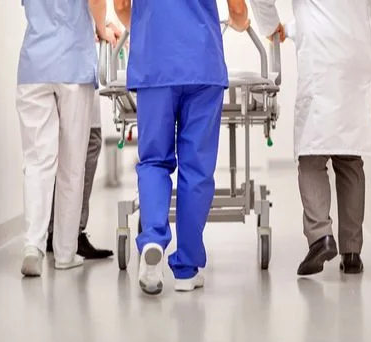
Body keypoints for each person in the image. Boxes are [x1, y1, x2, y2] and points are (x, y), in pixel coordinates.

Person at [113, 0, 250, 295]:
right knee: (197, 169)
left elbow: (122, 6)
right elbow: (238, 12)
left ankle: (152, 238)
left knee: (153, 161)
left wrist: (148, 28)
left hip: (155, 66)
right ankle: (186, 270)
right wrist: (242, 24)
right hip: (203, 64)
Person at [249, 0, 371, 275]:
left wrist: (270, 25)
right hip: (359, 60)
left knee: (312, 156)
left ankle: (321, 235)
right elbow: (362, 22)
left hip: (322, 60)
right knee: (350, 158)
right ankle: (352, 254)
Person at [17, 0, 117, 277]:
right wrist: (100, 28)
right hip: (73, 65)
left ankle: (32, 247)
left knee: (37, 162)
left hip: (34, 66)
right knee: (72, 165)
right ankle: (64, 252)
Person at [46, 22, 125, 261]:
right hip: (73, 64)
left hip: (50, 61)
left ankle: (56, 230)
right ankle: (70, 232)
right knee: (87, 142)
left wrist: (101, 25)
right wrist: (102, 29)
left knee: (63, 147)